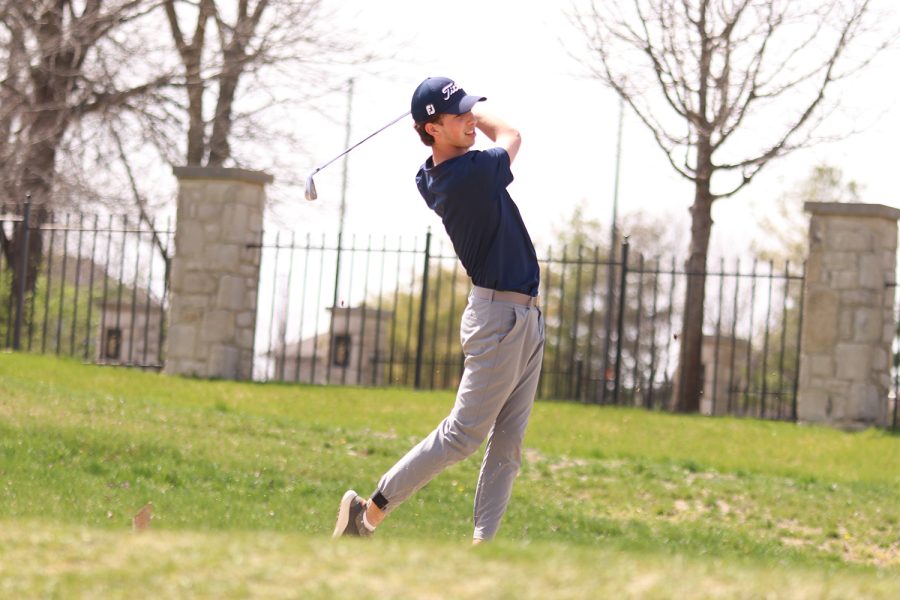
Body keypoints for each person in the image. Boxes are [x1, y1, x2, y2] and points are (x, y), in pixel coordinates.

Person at [332, 77, 544, 544]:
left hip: (524, 318)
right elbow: (512, 135)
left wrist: (458, 108)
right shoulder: (467, 176)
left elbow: (476, 135)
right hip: (500, 319)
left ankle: (482, 546)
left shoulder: (440, 171)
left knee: (507, 443)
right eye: (459, 115)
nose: (470, 118)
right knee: (463, 436)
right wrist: (479, 116)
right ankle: (369, 510)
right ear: (431, 128)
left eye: (471, 110)